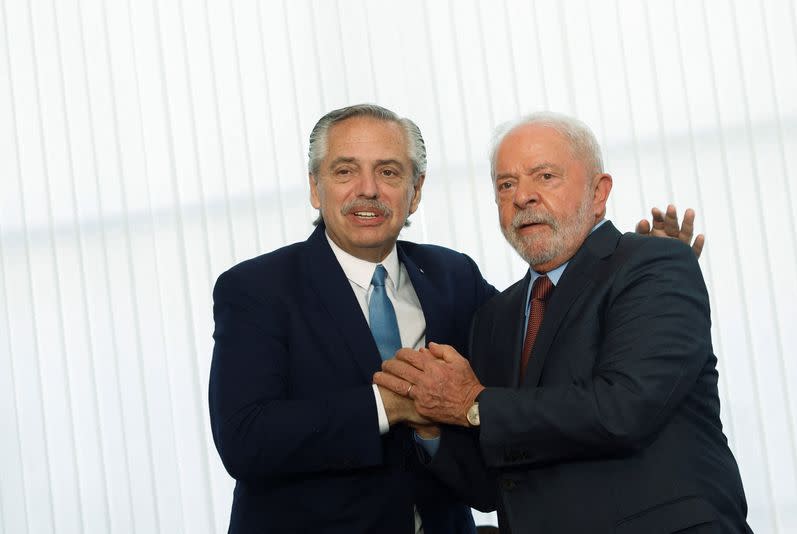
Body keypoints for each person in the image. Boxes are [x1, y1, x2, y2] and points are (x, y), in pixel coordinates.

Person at [209, 103, 701, 533]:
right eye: (344, 172)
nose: (368, 190)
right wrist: (388, 408)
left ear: (415, 192)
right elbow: (245, 439)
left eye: (388, 172)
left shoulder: (453, 277)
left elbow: (547, 344)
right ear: (315, 188)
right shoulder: (256, 289)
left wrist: (638, 268)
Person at [375, 112, 751, 533]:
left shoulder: (656, 263)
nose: (523, 197)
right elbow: (491, 486)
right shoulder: (496, 317)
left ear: (599, 192)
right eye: (506, 184)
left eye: (546, 176)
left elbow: (624, 409)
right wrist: (431, 427)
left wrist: (472, 404)